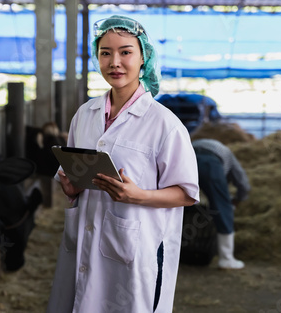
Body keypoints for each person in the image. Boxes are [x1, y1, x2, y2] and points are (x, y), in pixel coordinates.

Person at [46, 15, 200, 313]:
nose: (114, 61)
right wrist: (72, 187)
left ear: (144, 58)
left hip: (136, 250)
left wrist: (137, 195)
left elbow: (186, 193)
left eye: (126, 52)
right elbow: (74, 174)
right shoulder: (85, 114)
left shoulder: (164, 124)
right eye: (105, 53)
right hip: (85, 241)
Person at [191, 138, 251, 270]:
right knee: (223, 207)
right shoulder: (229, 157)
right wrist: (237, 200)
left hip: (186, 157)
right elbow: (243, 184)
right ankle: (226, 258)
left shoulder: (212, 145)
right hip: (209, 162)